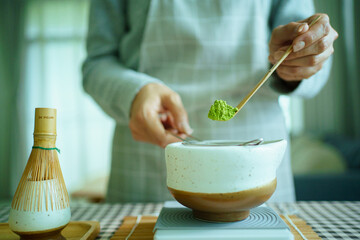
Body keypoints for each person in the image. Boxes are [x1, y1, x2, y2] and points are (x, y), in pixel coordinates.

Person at [82, 0, 338, 203]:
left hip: (255, 160)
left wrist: (300, 61)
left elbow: (315, 67)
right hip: (147, 161)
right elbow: (97, 63)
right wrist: (135, 92)